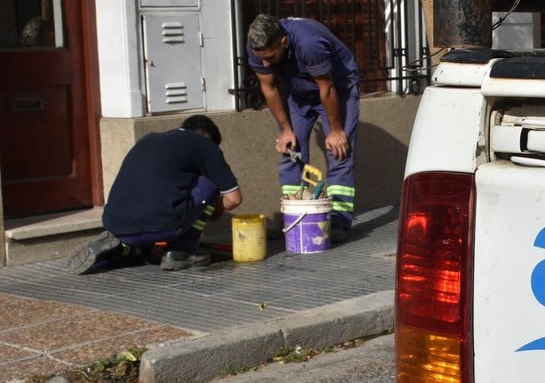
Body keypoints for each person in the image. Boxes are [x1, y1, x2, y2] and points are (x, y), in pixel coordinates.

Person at [66, 114, 242, 274]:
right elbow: (234, 199)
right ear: (207, 137)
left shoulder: (148, 140)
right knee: (210, 180)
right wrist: (212, 207)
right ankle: (181, 252)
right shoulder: (205, 146)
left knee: (147, 231)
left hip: (117, 224)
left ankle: (123, 248)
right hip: (163, 226)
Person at [246, 14, 359, 243]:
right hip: (299, 94)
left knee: (339, 151)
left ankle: (338, 222)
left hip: (337, 88)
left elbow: (326, 88)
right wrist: (285, 129)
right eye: (261, 59)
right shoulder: (256, 47)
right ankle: (294, 213)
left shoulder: (309, 43)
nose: (265, 63)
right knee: (291, 150)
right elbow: (269, 88)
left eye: (270, 57)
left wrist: (336, 130)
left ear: (283, 42)